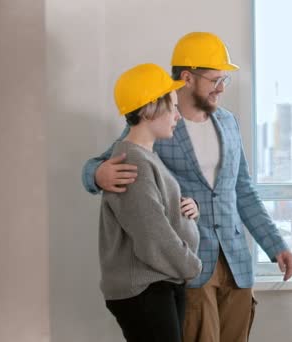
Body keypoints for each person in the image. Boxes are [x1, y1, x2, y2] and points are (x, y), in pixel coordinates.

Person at [82, 32, 292, 342]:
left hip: (236, 261)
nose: (222, 88)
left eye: (225, 80)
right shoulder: (158, 119)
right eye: (215, 80)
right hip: (190, 261)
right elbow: (110, 160)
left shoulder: (228, 122)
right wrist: (97, 175)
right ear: (187, 78)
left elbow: (243, 190)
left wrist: (275, 245)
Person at [99, 63, 202, 342]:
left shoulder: (145, 157)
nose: (178, 116)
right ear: (148, 109)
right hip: (146, 289)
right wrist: (193, 266)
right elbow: (152, 236)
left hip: (159, 284)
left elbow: (161, 214)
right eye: (172, 106)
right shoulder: (132, 162)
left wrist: (188, 210)